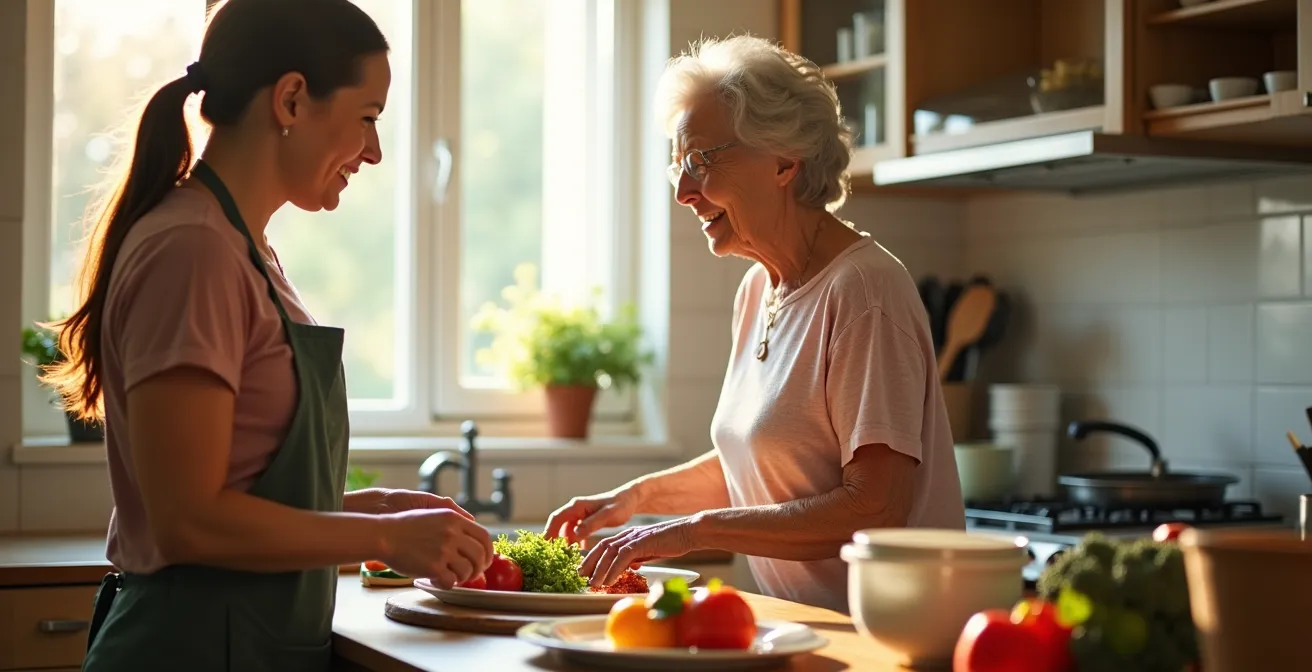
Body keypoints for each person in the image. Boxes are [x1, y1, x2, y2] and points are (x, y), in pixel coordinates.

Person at [39, 1, 493, 669]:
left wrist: (378, 511)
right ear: (290, 99)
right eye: (368, 117)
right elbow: (188, 520)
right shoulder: (193, 249)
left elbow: (241, 492)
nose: (373, 151)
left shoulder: (241, 247)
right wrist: (385, 538)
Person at [543, 35, 965, 614]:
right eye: (676, 167)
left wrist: (693, 531)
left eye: (701, 162)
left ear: (785, 161)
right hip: (809, 629)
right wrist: (632, 500)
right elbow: (765, 468)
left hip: (892, 638)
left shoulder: (864, 292)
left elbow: (875, 508)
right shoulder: (758, 290)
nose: (684, 192)